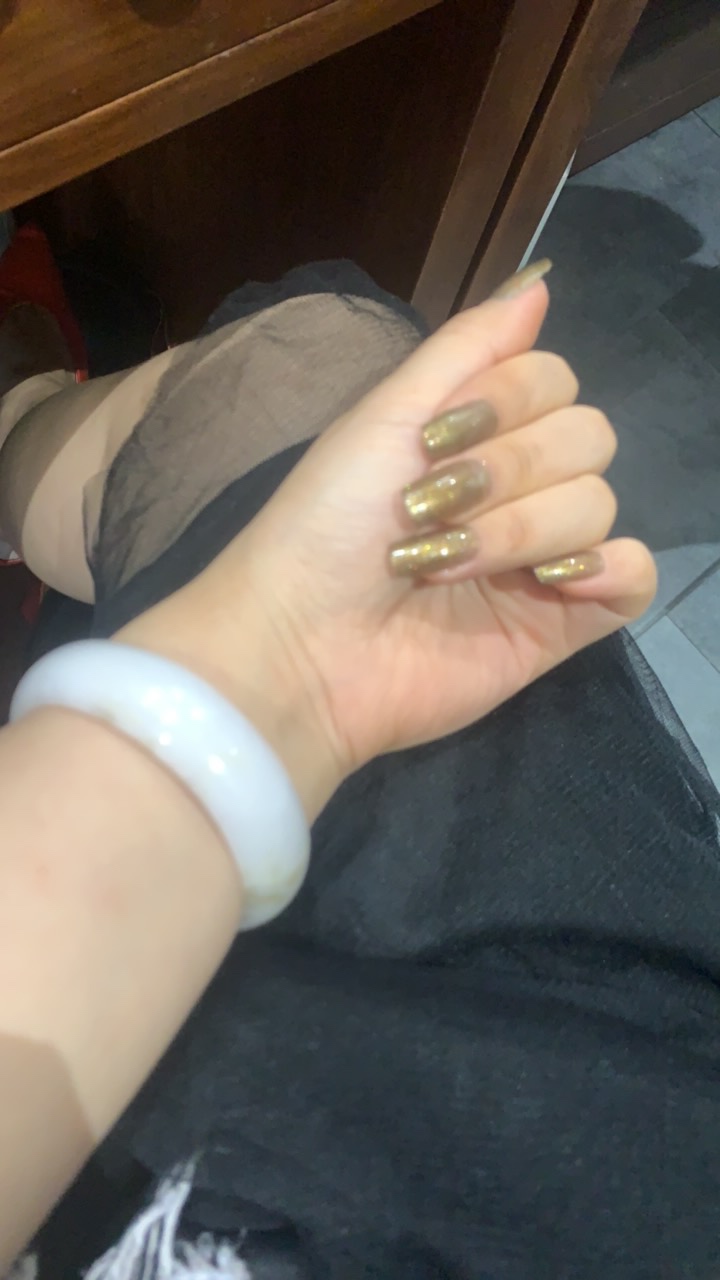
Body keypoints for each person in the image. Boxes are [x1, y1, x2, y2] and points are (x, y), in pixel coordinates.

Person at [0, 249, 714, 1279]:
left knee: (315, 378)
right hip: (597, 1094)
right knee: (321, 373)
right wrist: (281, 672)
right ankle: (19, 432)